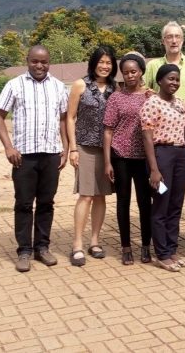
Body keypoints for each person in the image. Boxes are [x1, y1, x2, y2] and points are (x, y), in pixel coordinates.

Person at [0, 45, 68, 272]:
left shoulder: (58, 87)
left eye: (44, 62)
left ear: (49, 63)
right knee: (24, 204)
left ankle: (42, 248)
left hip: (51, 155)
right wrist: (8, 147)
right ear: (27, 61)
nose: (39, 66)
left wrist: (65, 148)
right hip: (23, 157)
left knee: (46, 203)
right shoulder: (14, 85)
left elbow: (64, 119)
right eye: (35, 61)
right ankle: (24, 250)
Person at [144, 21, 185, 233]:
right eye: (169, 37)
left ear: (183, 40)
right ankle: (162, 241)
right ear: (163, 41)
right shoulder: (153, 65)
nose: (173, 40)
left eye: (177, 36)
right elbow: (143, 90)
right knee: (165, 193)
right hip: (162, 140)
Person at [66, 46, 117, 267]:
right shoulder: (80, 85)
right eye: (101, 62)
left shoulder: (116, 88)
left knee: (101, 196)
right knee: (85, 195)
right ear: (94, 63)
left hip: (108, 150)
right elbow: (70, 118)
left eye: (109, 63)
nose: (105, 66)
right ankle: (77, 244)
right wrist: (73, 148)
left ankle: (94, 241)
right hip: (85, 147)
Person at [140, 64, 185, 272]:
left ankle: (171, 248)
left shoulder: (182, 104)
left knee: (176, 204)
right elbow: (147, 137)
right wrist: (154, 169)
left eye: (177, 79)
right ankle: (162, 253)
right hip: (161, 157)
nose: (174, 83)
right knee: (162, 203)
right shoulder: (151, 104)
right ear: (160, 80)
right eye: (170, 79)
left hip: (181, 156)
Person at [104, 53, 152, 265]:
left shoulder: (150, 96)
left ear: (141, 71)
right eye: (125, 72)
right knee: (123, 201)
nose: (130, 75)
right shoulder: (116, 97)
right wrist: (107, 161)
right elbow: (108, 130)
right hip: (121, 155)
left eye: (133, 71)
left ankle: (146, 246)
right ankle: (125, 247)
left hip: (144, 158)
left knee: (145, 203)